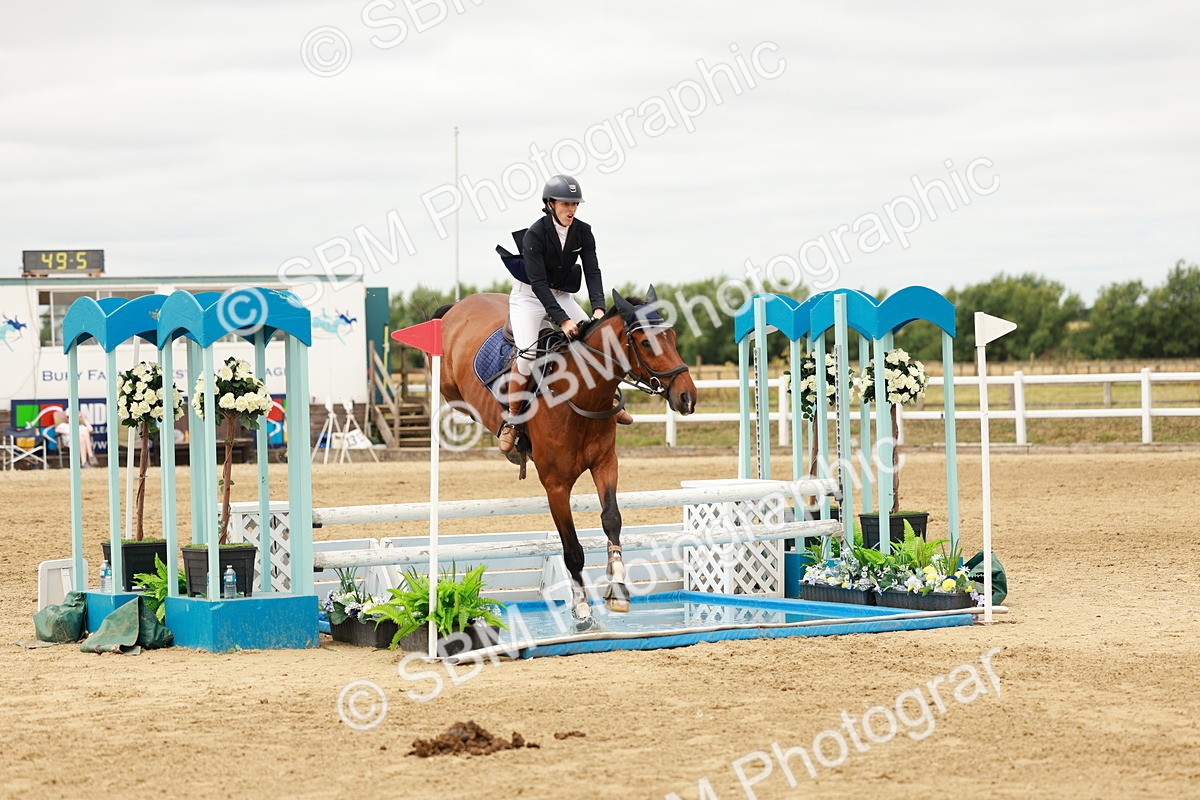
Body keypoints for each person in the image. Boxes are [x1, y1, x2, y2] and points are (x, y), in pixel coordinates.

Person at [499, 174, 632, 455]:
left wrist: (598, 307)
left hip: (560, 295)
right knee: (527, 354)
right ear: (550, 204)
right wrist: (563, 320)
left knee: (595, 342)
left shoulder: (583, 231)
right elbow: (538, 285)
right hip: (529, 298)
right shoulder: (535, 234)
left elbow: (593, 271)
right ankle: (512, 419)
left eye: (575, 204)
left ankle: (605, 402)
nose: (571, 209)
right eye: (565, 203)